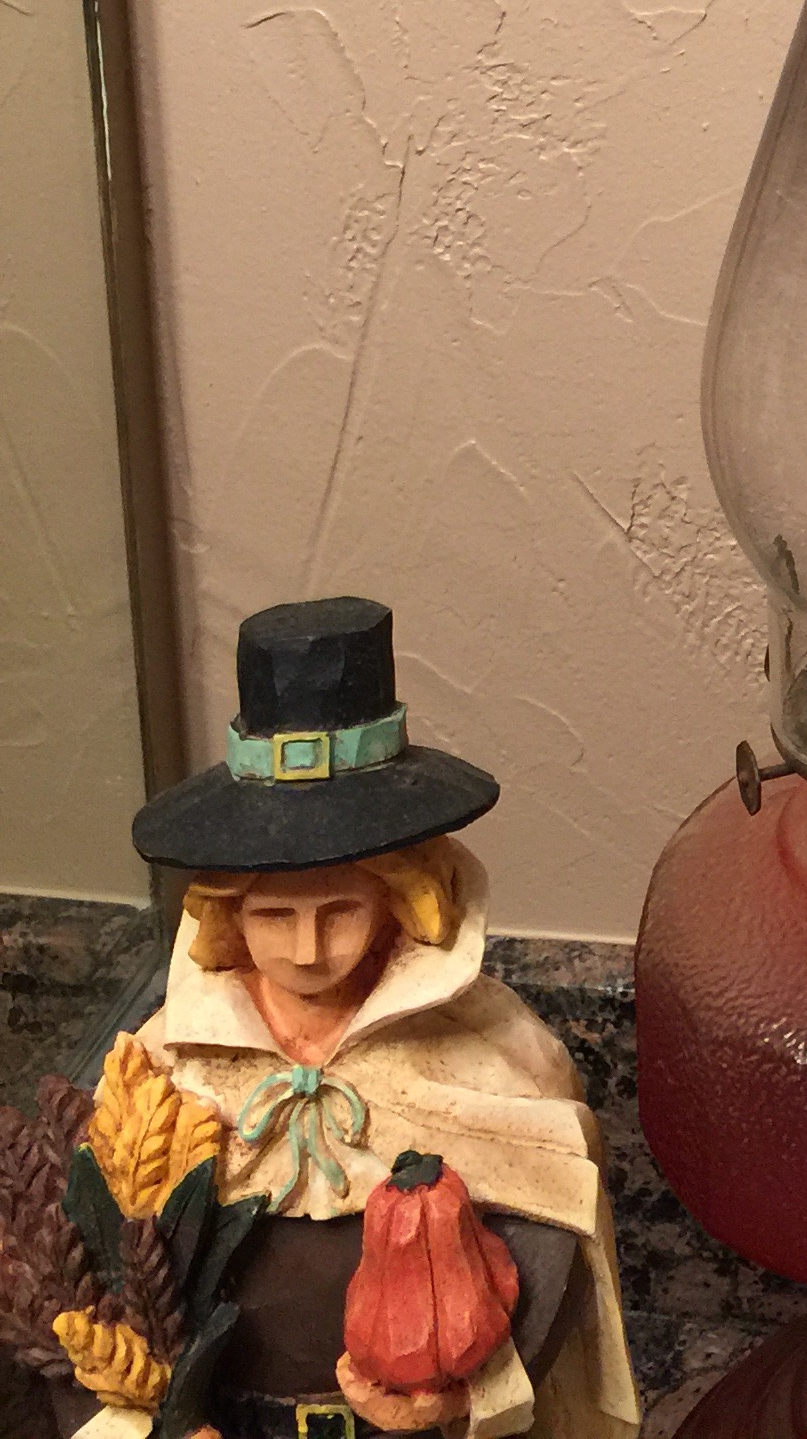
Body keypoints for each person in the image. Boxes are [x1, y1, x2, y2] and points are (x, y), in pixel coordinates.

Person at [75, 597, 640, 1439]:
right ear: (228, 918)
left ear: (401, 905)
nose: (307, 950)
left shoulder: (491, 1053)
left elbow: (548, 1243)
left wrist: (465, 1394)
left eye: (339, 912)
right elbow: (105, 1268)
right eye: (274, 917)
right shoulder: (165, 1068)